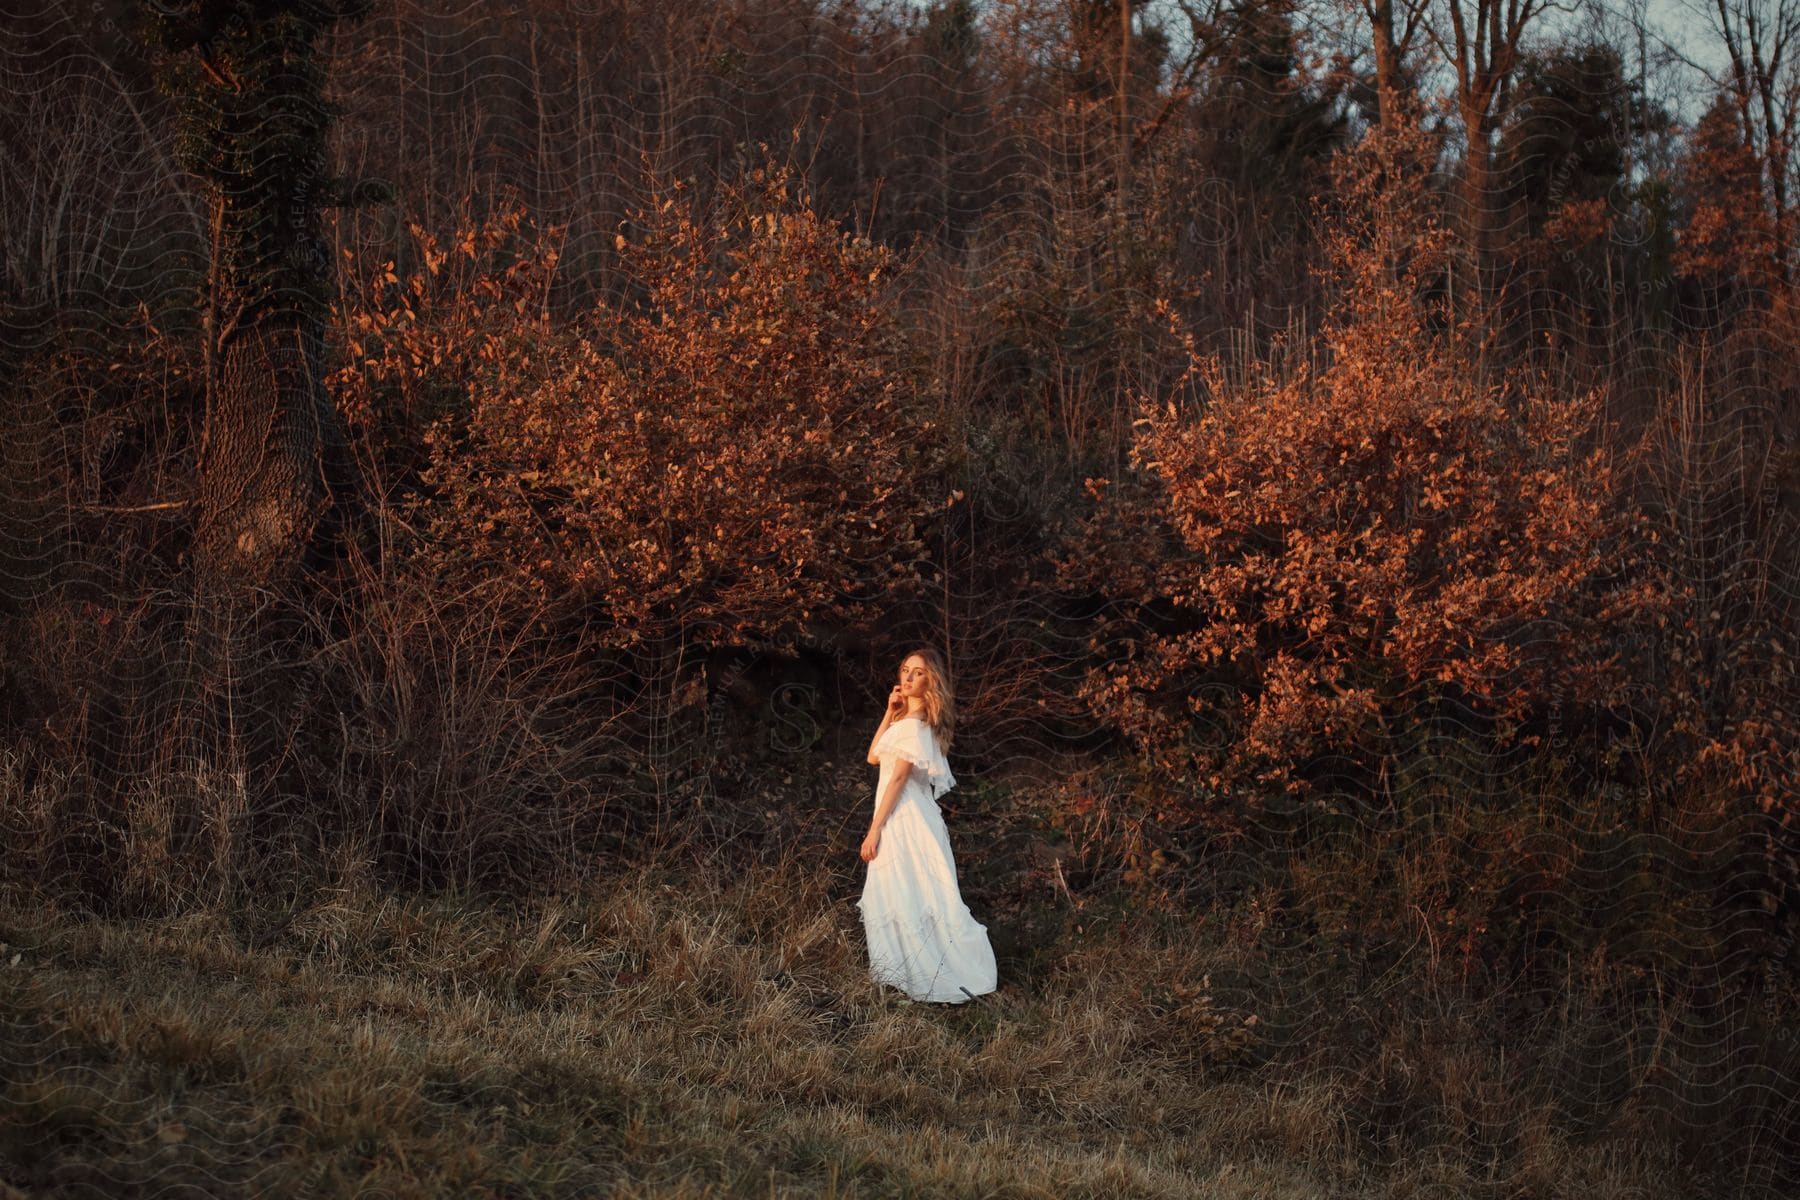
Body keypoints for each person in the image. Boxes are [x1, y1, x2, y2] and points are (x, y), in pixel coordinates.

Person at [856, 647, 997, 1003]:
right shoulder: (905, 722)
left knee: (917, 893)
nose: (907, 677)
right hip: (897, 815)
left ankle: (934, 976)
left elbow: (898, 779)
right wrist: (889, 713)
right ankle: (901, 975)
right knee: (898, 891)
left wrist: (875, 829)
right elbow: (874, 757)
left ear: (930, 680)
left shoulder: (918, 727)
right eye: (905, 670)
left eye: (917, 672)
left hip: (905, 820)